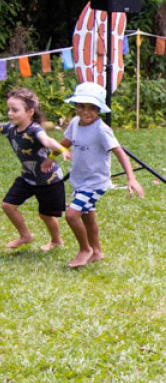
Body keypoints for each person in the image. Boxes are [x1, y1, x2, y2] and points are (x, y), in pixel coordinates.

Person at [56, 82, 145, 268]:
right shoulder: (74, 123)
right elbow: (66, 141)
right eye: (81, 106)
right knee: (88, 216)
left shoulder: (101, 129)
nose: (86, 112)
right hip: (79, 180)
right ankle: (96, 251)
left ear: (99, 109)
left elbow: (119, 152)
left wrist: (131, 178)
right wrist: (50, 157)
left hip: (96, 183)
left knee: (72, 215)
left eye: (92, 108)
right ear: (75, 106)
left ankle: (84, 249)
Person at [2, 88, 68, 251]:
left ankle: (56, 240)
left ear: (30, 112)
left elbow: (46, 140)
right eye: (9, 109)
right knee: (8, 205)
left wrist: (62, 149)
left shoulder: (34, 129)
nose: (10, 113)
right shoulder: (10, 128)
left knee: (45, 215)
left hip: (49, 179)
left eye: (15, 110)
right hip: (27, 177)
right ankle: (25, 236)